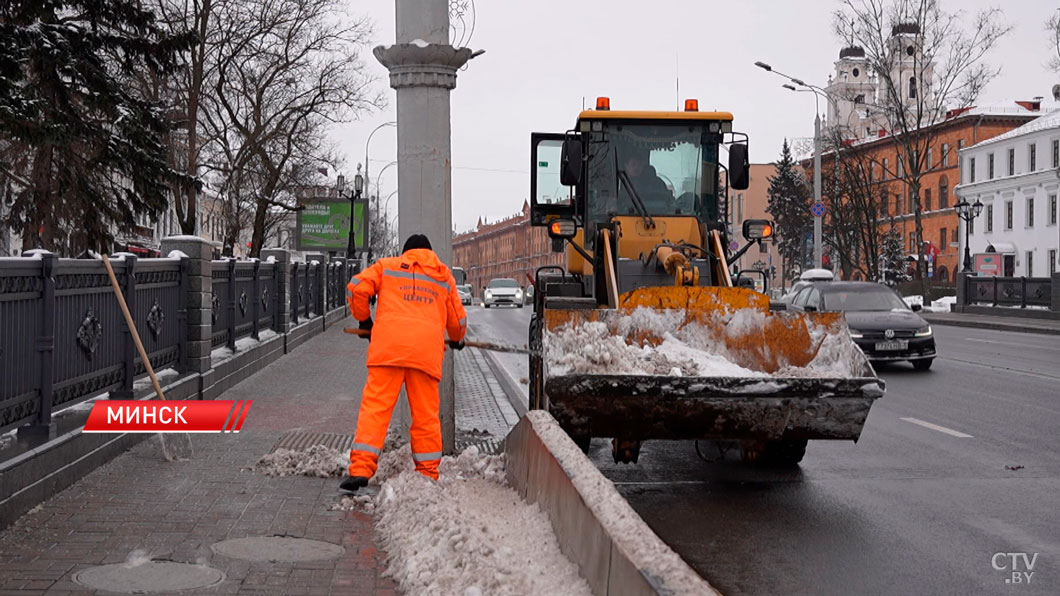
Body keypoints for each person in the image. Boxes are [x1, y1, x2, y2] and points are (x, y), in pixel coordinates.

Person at [341, 233, 467, 492]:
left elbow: (356, 288)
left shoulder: (387, 267)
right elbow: (458, 320)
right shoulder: (443, 276)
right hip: (425, 354)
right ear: (430, 253)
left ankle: (361, 469)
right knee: (425, 416)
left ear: (406, 252)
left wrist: (365, 322)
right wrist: (457, 338)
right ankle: (428, 472)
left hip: (388, 350)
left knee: (375, 410)